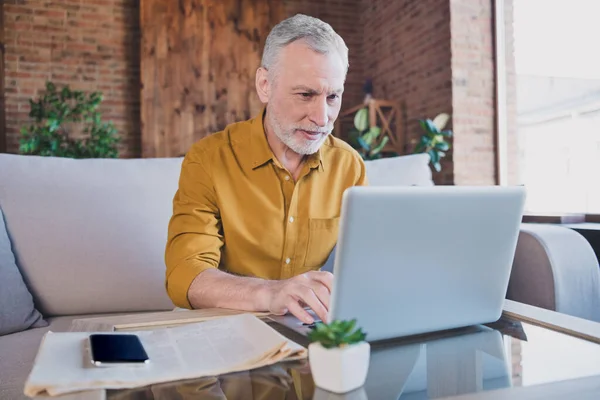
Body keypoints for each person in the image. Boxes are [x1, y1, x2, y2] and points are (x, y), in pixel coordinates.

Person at [164, 14, 367, 325]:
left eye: (332, 97)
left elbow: (364, 268)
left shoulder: (349, 166)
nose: (322, 117)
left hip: (309, 332)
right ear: (264, 85)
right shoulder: (208, 159)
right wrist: (271, 293)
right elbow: (186, 274)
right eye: (305, 95)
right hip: (227, 329)